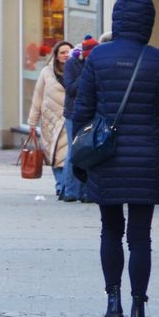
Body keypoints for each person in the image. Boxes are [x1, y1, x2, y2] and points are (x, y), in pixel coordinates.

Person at [74, 0, 159, 317]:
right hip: (148, 157)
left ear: (116, 19)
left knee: (110, 230)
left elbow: (83, 112)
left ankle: (112, 302)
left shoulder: (98, 57)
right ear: (148, 23)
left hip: (106, 157)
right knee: (140, 238)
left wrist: (79, 159)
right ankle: (138, 310)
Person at [29, 40, 73, 201]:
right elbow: (38, 96)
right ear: (56, 55)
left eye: (68, 51)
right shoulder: (46, 72)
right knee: (54, 155)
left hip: (68, 118)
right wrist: (32, 122)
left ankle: (64, 186)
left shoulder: (77, 69)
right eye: (62, 52)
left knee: (67, 155)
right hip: (50, 120)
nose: (65, 55)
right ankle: (60, 185)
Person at [62, 35, 98, 202]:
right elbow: (70, 89)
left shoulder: (96, 63)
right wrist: (86, 71)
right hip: (72, 113)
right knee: (73, 151)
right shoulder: (71, 64)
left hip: (91, 112)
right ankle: (70, 191)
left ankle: (86, 192)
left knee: (88, 151)